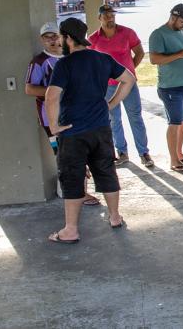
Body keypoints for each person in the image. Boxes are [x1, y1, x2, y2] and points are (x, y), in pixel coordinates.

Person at [45, 17, 137, 244]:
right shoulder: (102, 58)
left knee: (72, 177)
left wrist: (54, 126)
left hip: (73, 131)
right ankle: (115, 217)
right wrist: (111, 104)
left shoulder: (64, 64)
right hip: (100, 128)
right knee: (106, 171)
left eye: (61, 38)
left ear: (68, 38)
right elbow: (129, 79)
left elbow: (52, 96)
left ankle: (70, 230)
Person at [25, 21, 99, 206]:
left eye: (55, 36)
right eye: (47, 37)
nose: (52, 40)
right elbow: (30, 89)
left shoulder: (70, 58)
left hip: (76, 115)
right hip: (51, 118)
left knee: (80, 152)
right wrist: (56, 91)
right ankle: (73, 193)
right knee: (65, 155)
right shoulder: (39, 62)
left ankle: (76, 191)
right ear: (42, 40)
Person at [88, 4, 152, 168]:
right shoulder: (93, 39)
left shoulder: (127, 32)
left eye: (112, 15)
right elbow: (90, 62)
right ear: (99, 18)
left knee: (135, 117)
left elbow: (140, 53)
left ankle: (144, 153)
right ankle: (122, 152)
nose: (110, 18)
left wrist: (129, 72)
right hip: (107, 86)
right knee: (113, 119)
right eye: (106, 15)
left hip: (128, 85)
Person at [149, 4, 183, 172]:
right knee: (174, 122)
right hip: (171, 87)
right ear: (173, 17)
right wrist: (181, 54)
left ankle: (179, 153)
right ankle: (173, 161)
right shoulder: (158, 34)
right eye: (182, 21)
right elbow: (155, 59)